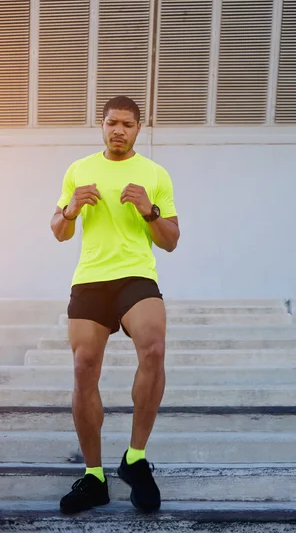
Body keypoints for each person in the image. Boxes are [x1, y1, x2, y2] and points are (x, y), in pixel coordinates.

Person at [50, 95, 180, 515]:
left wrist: (150, 210)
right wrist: (70, 209)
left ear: (138, 128)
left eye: (127, 123)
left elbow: (171, 239)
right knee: (84, 367)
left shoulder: (155, 173)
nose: (118, 130)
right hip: (90, 279)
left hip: (136, 275)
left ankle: (135, 460)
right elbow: (58, 231)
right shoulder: (79, 169)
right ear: (101, 126)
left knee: (154, 348)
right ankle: (94, 477)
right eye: (112, 123)